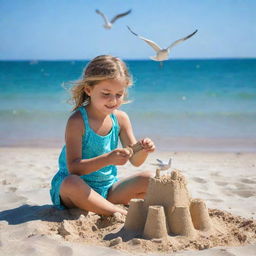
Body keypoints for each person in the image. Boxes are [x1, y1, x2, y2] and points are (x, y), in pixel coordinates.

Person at [50, 55, 155, 216]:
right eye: (106, 93)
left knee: (150, 177)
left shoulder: (121, 119)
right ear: (88, 89)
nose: (113, 100)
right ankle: (117, 212)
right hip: (75, 190)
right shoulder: (77, 121)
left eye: (119, 94)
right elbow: (74, 168)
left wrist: (143, 149)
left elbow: (135, 161)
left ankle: (104, 206)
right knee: (71, 183)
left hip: (107, 189)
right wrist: (108, 159)